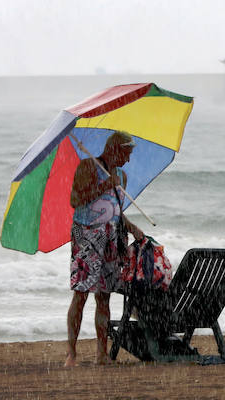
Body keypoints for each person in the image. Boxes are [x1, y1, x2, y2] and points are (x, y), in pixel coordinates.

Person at [65, 130, 145, 367]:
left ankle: (102, 353)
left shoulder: (122, 175)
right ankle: (72, 354)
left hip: (111, 239)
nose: (128, 159)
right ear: (114, 149)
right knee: (80, 294)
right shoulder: (89, 167)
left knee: (104, 296)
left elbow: (116, 210)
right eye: (126, 153)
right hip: (86, 237)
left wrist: (131, 227)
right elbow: (75, 200)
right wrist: (105, 185)